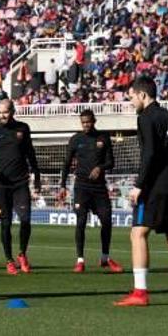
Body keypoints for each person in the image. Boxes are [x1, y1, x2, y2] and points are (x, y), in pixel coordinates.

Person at [115, 76, 168, 307]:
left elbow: (149, 153)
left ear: (142, 95)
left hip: (154, 187)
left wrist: (139, 184)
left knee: (138, 234)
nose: (131, 101)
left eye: (131, 97)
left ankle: (140, 292)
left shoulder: (146, 117)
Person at [0, 99, 41, 275]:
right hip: (1, 185)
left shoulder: (23, 128)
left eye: (5, 112)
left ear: (12, 111)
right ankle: (9, 260)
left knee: (26, 220)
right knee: (5, 225)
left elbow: (30, 153)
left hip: (20, 183)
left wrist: (37, 178)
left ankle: (22, 254)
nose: (2, 115)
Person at [60, 109, 123, 274]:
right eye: (83, 122)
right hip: (81, 187)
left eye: (88, 122)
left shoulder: (103, 137)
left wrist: (99, 168)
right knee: (80, 221)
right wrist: (62, 185)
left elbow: (111, 162)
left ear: (94, 121)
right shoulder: (75, 139)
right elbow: (66, 163)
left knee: (107, 220)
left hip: (99, 188)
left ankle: (105, 258)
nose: (86, 125)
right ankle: (80, 260)